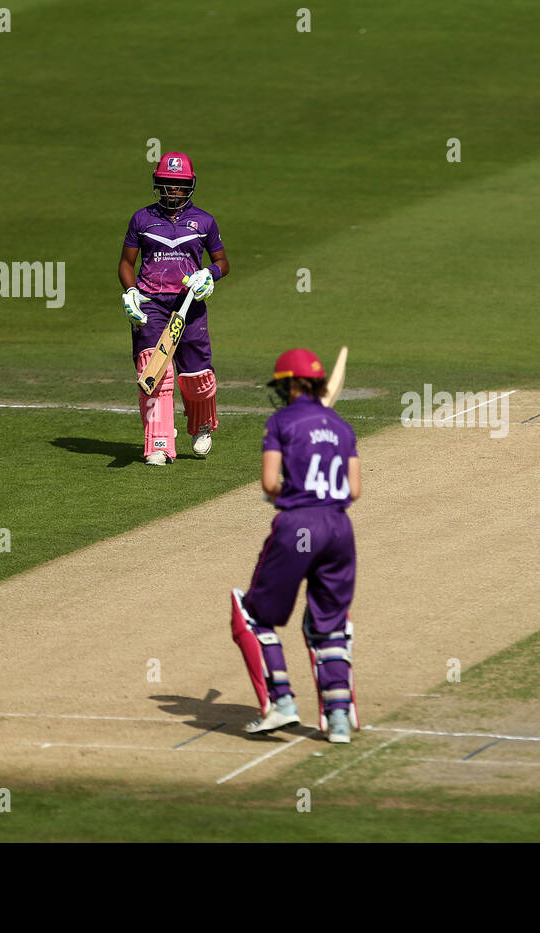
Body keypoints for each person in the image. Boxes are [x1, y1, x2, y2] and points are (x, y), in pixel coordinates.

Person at [230, 349, 362, 744]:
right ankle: (338, 720)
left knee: (252, 614)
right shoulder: (341, 426)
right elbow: (354, 489)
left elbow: (270, 483)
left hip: (298, 528)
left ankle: (281, 701)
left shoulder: (281, 422)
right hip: (339, 530)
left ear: (294, 384)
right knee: (328, 626)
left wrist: (290, 496)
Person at [119, 152, 230, 465]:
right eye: (167, 185)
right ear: (158, 184)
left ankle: (201, 426)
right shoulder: (142, 219)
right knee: (153, 370)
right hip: (151, 303)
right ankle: (158, 442)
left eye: (179, 186)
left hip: (188, 305)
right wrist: (130, 293)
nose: (172, 191)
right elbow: (126, 263)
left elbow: (223, 261)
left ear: (189, 186)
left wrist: (210, 274)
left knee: (197, 376)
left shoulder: (204, 221)